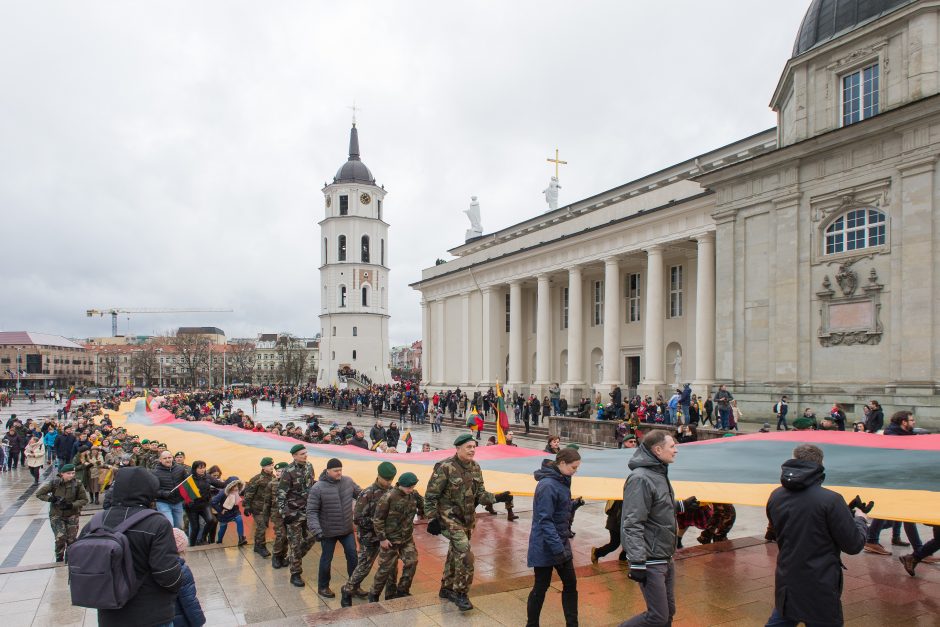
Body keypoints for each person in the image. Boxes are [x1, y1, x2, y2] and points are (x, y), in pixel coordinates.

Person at [764, 444, 868, 626]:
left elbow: (776, 530)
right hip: (820, 581)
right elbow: (854, 545)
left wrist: (844, 514)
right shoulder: (831, 500)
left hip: (787, 577)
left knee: (784, 616)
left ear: (794, 460)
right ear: (820, 465)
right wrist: (859, 520)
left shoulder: (776, 495)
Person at [620, 431, 699, 627]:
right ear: (657, 450)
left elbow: (658, 504)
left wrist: (681, 505)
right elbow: (632, 522)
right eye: (672, 446)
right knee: (658, 617)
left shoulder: (658, 472)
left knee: (668, 612)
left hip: (665, 555)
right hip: (650, 559)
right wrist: (637, 562)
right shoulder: (640, 478)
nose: (676, 450)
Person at [425, 433, 512, 611]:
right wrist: (432, 518)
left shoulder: (476, 467)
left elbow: (480, 494)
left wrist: (496, 498)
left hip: (467, 519)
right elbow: (431, 496)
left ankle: (446, 588)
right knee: (465, 554)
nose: (472, 450)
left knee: (455, 552)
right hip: (449, 519)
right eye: (468, 447)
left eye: (474, 447)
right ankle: (461, 593)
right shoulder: (445, 467)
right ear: (458, 449)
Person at [86, 466, 182, 627]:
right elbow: (167, 573)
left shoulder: (96, 521)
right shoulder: (156, 522)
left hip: (110, 612)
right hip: (152, 612)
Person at [526, 448, 582, 627]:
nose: (575, 471)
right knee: (541, 587)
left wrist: (573, 505)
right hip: (545, 545)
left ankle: (572, 624)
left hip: (560, 541)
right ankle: (532, 624)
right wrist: (558, 549)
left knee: (570, 584)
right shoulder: (547, 485)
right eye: (573, 467)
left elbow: (558, 510)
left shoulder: (563, 479)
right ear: (562, 464)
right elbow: (545, 520)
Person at [342, 461, 398, 607]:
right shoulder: (367, 493)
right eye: (386, 479)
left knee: (391, 566)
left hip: (386, 537)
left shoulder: (392, 491)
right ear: (379, 476)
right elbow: (358, 518)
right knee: (364, 566)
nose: (388, 483)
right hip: (369, 537)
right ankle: (348, 590)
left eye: (391, 480)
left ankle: (391, 594)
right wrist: (378, 523)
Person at [306, 457, 362, 598]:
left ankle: (354, 586)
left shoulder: (348, 481)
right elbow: (311, 511)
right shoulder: (318, 487)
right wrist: (317, 530)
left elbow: (362, 495)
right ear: (328, 471)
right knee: (326, 559)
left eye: (340, 470)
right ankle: (323, 587)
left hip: (346, 529)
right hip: (327, 532)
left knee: (353, 556)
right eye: (336, 471)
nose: (339, 473)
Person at [369, 471, 423, 602]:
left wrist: (426, 514)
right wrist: (382, 539)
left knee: (412, 561)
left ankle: (402, 590)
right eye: (408, 487)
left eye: (412, 487)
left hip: (406, 538)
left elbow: (424, 506)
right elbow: (378, 519)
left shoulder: (414, 495)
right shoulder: (388, 497)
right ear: (401, 485)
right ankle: (374, 595)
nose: (411, 490)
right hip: (390, 540)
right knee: (385, 570)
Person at [277, 444, 317, 587]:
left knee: (313, 537)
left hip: (308, 511)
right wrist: (285, 514)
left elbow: (312, 486)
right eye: (301, 454)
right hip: (293, 514)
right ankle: (295, 574)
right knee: (294, 544)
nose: (305, 455)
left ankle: (294, 557)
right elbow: (281, 494)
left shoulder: (309, 466)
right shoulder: (288, 471)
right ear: (294, 456)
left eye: (305, 453)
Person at [35, 463, 89, 562]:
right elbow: (39, 494)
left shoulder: (77, 484)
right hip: (57, 514)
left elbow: (84, 500)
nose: (71, 475)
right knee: (60, 538)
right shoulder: (54, 483)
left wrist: (72, 505)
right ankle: (59, 557)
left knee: (71, 539)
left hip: (72, 514)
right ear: (62, 474)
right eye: (68, 473)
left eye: (73, 473)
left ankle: (71, 558)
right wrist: (51, 499)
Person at [172, 527, 206, 627]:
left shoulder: (155, 565)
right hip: (180, 621)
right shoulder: (181, 569)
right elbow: (189, 601)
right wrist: (199, 622)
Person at [243, 457, 277, 557]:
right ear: (263, 467)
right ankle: (260, 546)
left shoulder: (273, 477)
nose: (271, 467)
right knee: (262, 526)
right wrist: (247, 506)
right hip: (257, 508)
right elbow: (249, 493)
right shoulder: (256, 479)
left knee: (264, 526)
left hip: (268, 508)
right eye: (269, 465)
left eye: (272, 465)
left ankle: (257, 545)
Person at [153, 450, 187, 529]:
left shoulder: (180, 469)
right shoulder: (155, 473)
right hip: (163, 503)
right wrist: (163, 493)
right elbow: (153, 490)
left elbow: (186, 482)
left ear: (173, 458)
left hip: (178, 502)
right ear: (160, 460)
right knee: (169, 525)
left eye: (169, 457)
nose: (168, 460)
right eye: (165, 458)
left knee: (179, 526)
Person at [265, 462, 290, 568]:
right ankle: (276, 556)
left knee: (287, 536)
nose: (278, 473)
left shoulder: (290, 483)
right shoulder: (272, 484)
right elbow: (267, 502)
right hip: (277, 514)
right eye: (277, 471)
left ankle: (282, 556)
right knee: (281, 535)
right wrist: (265, 517)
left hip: (288, 513)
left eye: (281, 471)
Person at [211, 477, 247, 545]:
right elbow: (213, 502)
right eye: (234, 486)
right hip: (225, 514)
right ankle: (219, 541)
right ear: (229, 486)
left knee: (239, 520)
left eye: (237, 486)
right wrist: (220, 510)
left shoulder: (237, 491)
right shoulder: (223, 492)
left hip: (234, 511)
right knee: (223, 528)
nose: (236, 488)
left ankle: (241, 539)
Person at [591, 499, 626, 563]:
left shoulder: (625, 495)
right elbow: (619, 513)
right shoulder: (622, 497)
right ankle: (596, 553)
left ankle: (623, 558)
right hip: (616, 523)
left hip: (617, 522)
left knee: (627, 542)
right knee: (614, 544)